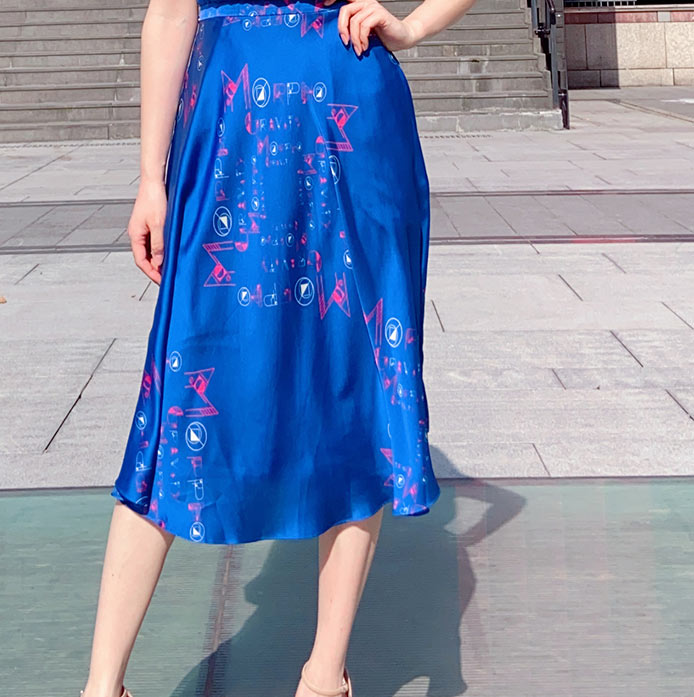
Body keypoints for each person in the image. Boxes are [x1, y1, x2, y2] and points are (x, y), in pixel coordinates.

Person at [81, 0, 476, 696]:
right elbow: (170, 13)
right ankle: (109, 685)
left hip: (308, 115)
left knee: (344, 386)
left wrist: (413, 26)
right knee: (209, 384)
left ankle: (319, 676)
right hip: (255, 125)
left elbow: (170, 13)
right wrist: (150, 178)